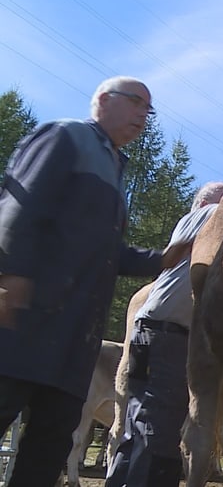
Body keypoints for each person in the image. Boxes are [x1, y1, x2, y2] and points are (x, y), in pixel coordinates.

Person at [0, 76, 191, 487]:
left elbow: (105, 253)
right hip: (24, 318)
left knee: (49, 446)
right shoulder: (66, 137)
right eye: (137, 102)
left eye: (149, 108)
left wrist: (162, 260)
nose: (145, 114)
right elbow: (19, 204)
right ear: (104, 100)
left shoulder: (113, 168)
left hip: (74, 341)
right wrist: (8, 275)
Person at [105, 181, 223, 487]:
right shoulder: (204, 217)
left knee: (139, 426)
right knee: (160, 429)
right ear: (205, 204)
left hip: (154, 334)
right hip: (168, 336)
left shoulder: (202, 234)